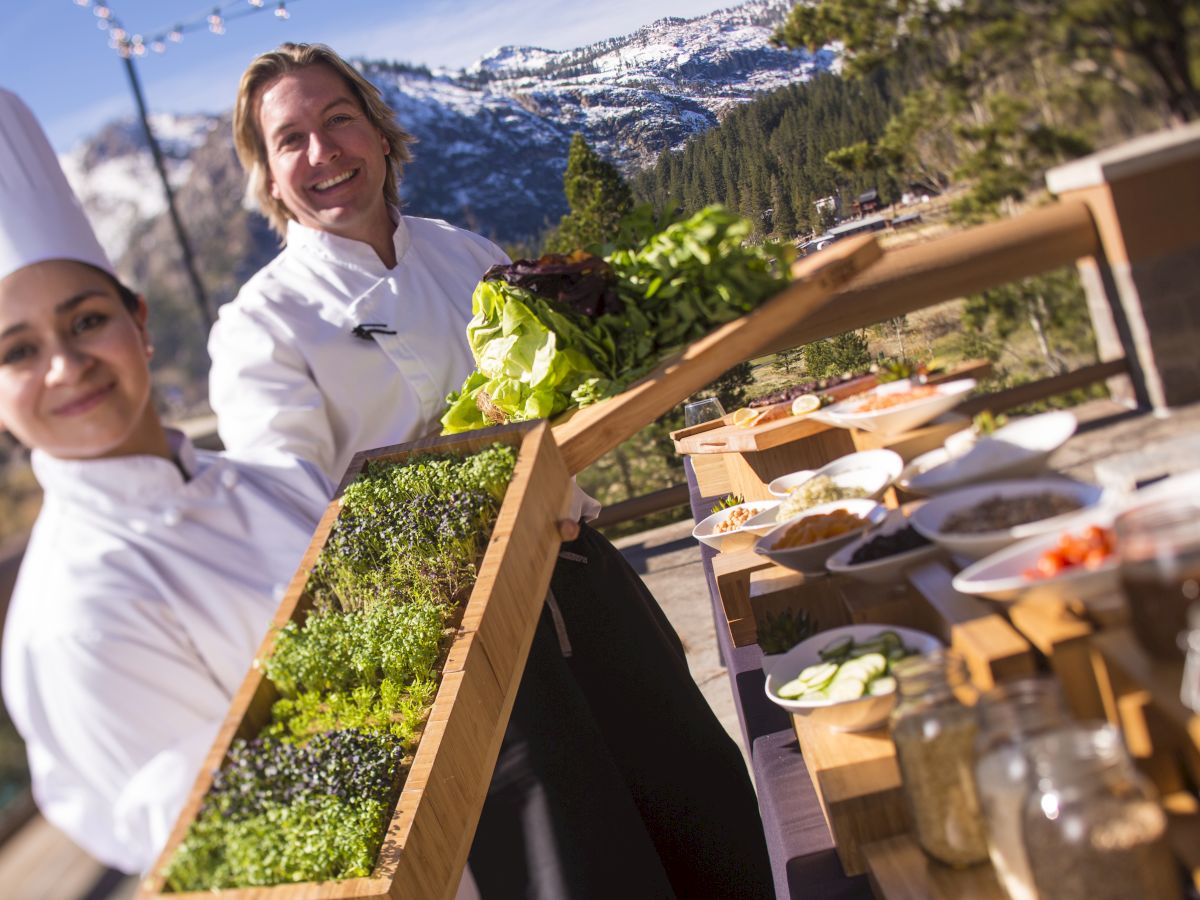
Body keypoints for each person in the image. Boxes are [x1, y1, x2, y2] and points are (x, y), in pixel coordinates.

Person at [208, 43, 774, 899]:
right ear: (270, 176)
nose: (323, 154)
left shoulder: (462, 251)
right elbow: (286, 510)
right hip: (460, 645)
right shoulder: (261, 328)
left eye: (338, 122)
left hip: (576, 572)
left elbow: (556, 400)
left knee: (707, 812)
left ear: (379, 132)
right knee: (580, 868)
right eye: (291, 140)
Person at [0, 88, 330, 875]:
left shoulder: (265, 483)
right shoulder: (73, 617)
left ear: (140, 324)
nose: (67, 366)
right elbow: (259, 863)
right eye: (16, 351)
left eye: (86, 321)